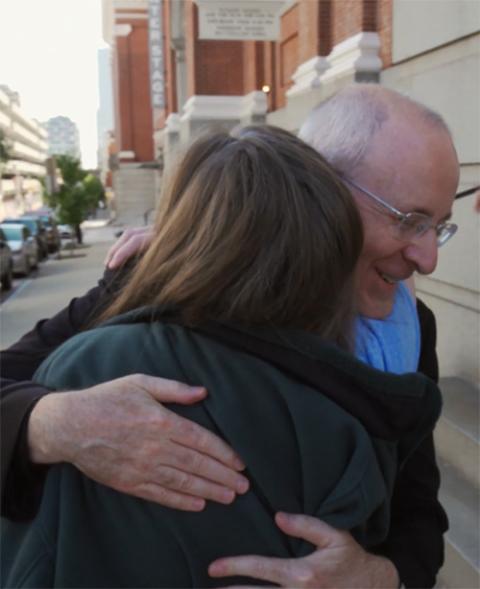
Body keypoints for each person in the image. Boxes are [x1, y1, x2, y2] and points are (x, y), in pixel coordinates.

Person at [0, 84, 459, 588]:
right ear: (322, 188)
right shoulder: (150, 284)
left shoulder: (411, 330)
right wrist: (56, 423)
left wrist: (378, 576)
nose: (429, 260)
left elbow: (419, 516)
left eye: (438, 226)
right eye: (409, 221)